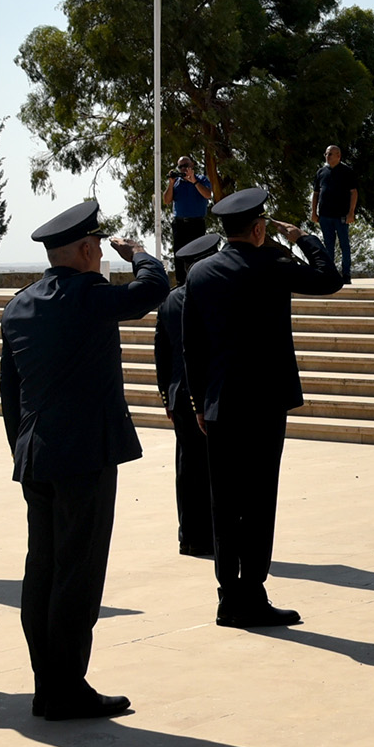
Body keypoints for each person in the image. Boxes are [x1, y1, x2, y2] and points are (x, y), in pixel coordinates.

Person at [0, 201, 170, 719]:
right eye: (95, 245)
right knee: (78, 572)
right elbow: (153, 290)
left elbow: (10, 392)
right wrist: (140, 255)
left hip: (36, 453)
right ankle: (66, 689)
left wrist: (22, 446)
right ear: (89, 250)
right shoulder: (87, 295)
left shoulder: (19, 305)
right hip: (83, 455)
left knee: (43, 570)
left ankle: (47, 683)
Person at [181, 187, 344, 627]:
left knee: (223, 502)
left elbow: (191, 346)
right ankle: (251, 593)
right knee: (257, 501)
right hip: (264, 404)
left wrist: (198, 402)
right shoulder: (273, 264)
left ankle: (227, 595)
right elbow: (329, 278)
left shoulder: (200, 273)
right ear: (258, 229)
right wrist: (303, 238)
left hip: (219, 404)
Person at [154, 232, 221, 557]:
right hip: (209, 393)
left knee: (187, 466)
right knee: (215, 468)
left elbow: (161, 353)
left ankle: (190, 536)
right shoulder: (214, 296)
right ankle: (213, 537)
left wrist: (166, 396)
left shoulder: (170, 300)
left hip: (179, 394)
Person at [309, 145, 359, 284]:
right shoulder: (321, 172)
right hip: (325, 216)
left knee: (344, 245)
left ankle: (346, 274)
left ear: (338, 156)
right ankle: (330, 274)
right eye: (326, 154)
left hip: (341, 216)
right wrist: (314, 212)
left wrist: (351, 213)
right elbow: (316, 193)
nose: (327, 156)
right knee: (328, 246)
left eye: (330, 154)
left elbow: (354, 192)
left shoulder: (347, 172)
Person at [163, 159, 215, 278]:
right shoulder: (176, 183)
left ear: (192, 166)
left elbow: (208, 195)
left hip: (196, 224)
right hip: (180, 224)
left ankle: (198, 279)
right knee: (179, 254)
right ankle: (181, 281)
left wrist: (194, 182)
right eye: (180, 167)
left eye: (185, 166)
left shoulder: (201, 179)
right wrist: (171, 183)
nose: (183, 169)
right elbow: (166, 200)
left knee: (198, 254)